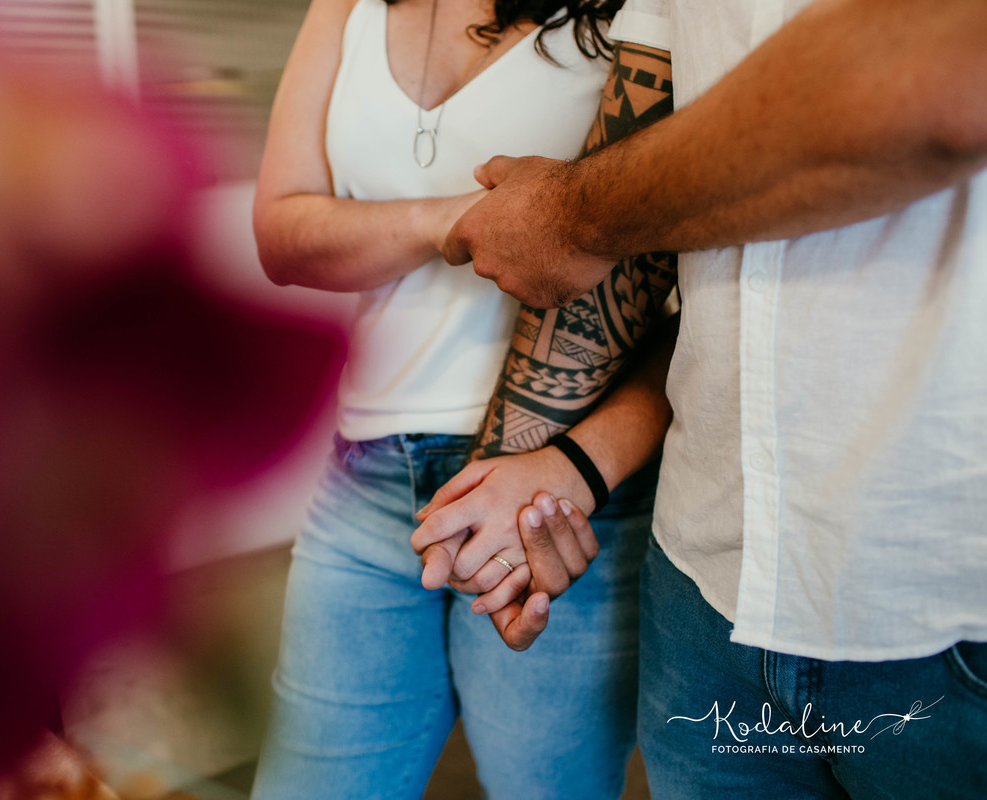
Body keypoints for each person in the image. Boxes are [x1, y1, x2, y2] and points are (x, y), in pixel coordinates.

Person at [416, 0, 987, 795]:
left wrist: (573, 213)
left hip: (946, 607)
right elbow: (632, 255)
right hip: (706, 587)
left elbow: (943, 84)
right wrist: (503, 502)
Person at [248, 1, 673, 796]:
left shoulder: (635, 14)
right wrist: (469, 218)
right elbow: (281, 232)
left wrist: (581, 465)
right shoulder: (346, 6)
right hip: (367, 482)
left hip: (558, 495)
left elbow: (681, 303)